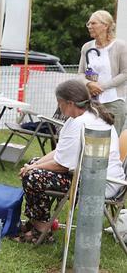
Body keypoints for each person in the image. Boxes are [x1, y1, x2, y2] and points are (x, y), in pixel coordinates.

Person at [18, 79, 125, 243]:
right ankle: (37, 222)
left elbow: (61, 165)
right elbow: (60, 152)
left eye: (59, 103)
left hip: (100, 184)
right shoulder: (89, 115)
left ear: (69, 103)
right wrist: (34, 164)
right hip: (98, 177)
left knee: (34, 177)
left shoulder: (80, 122)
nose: (59, 108)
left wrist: (31, 169)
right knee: (34, 165)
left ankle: (41, 229)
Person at [78, 10, 127, 133]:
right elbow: (80, 74)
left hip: (114, 101)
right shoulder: (87, 47)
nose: (89, 26)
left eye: (93, 23)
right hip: (92, 102)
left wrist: (101, 87)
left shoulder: (120, 46)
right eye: (88, 24)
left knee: (113, 139)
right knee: (90, 137)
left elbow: (125, 73)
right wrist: (89, 84)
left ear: (105, 26)